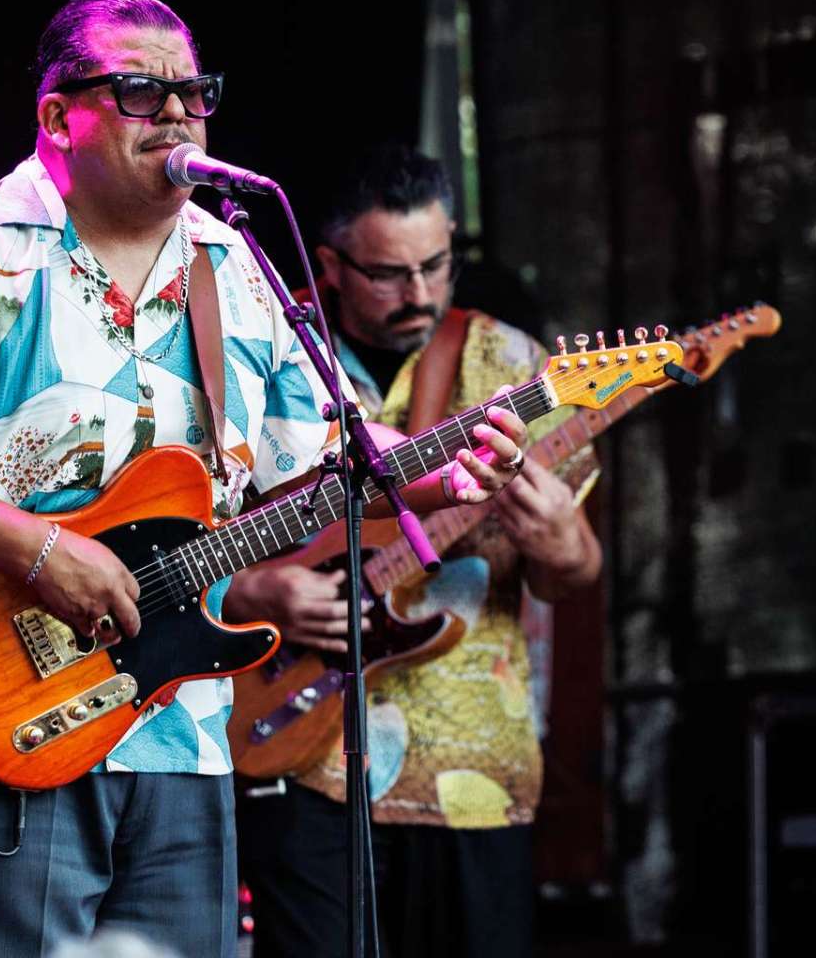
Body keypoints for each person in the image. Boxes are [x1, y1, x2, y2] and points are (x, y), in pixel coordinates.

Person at [0, 0, 527, 958]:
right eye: (141, 93)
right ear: (58, 115)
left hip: (181, 723)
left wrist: (447, 475)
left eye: (195, 93)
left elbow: (321, 467)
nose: (180, 114)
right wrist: (41, 551)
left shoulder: (232, 265)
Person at [230, 147, 602, 958]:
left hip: (473, 767)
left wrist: (561, 542)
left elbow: (572, 575)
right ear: (331, 265)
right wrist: (256, 592)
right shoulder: (263, 345)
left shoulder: (514, 364)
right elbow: (179, 532)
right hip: (297, 750)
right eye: (389, 274)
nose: (422, 293)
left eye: (437, 265)